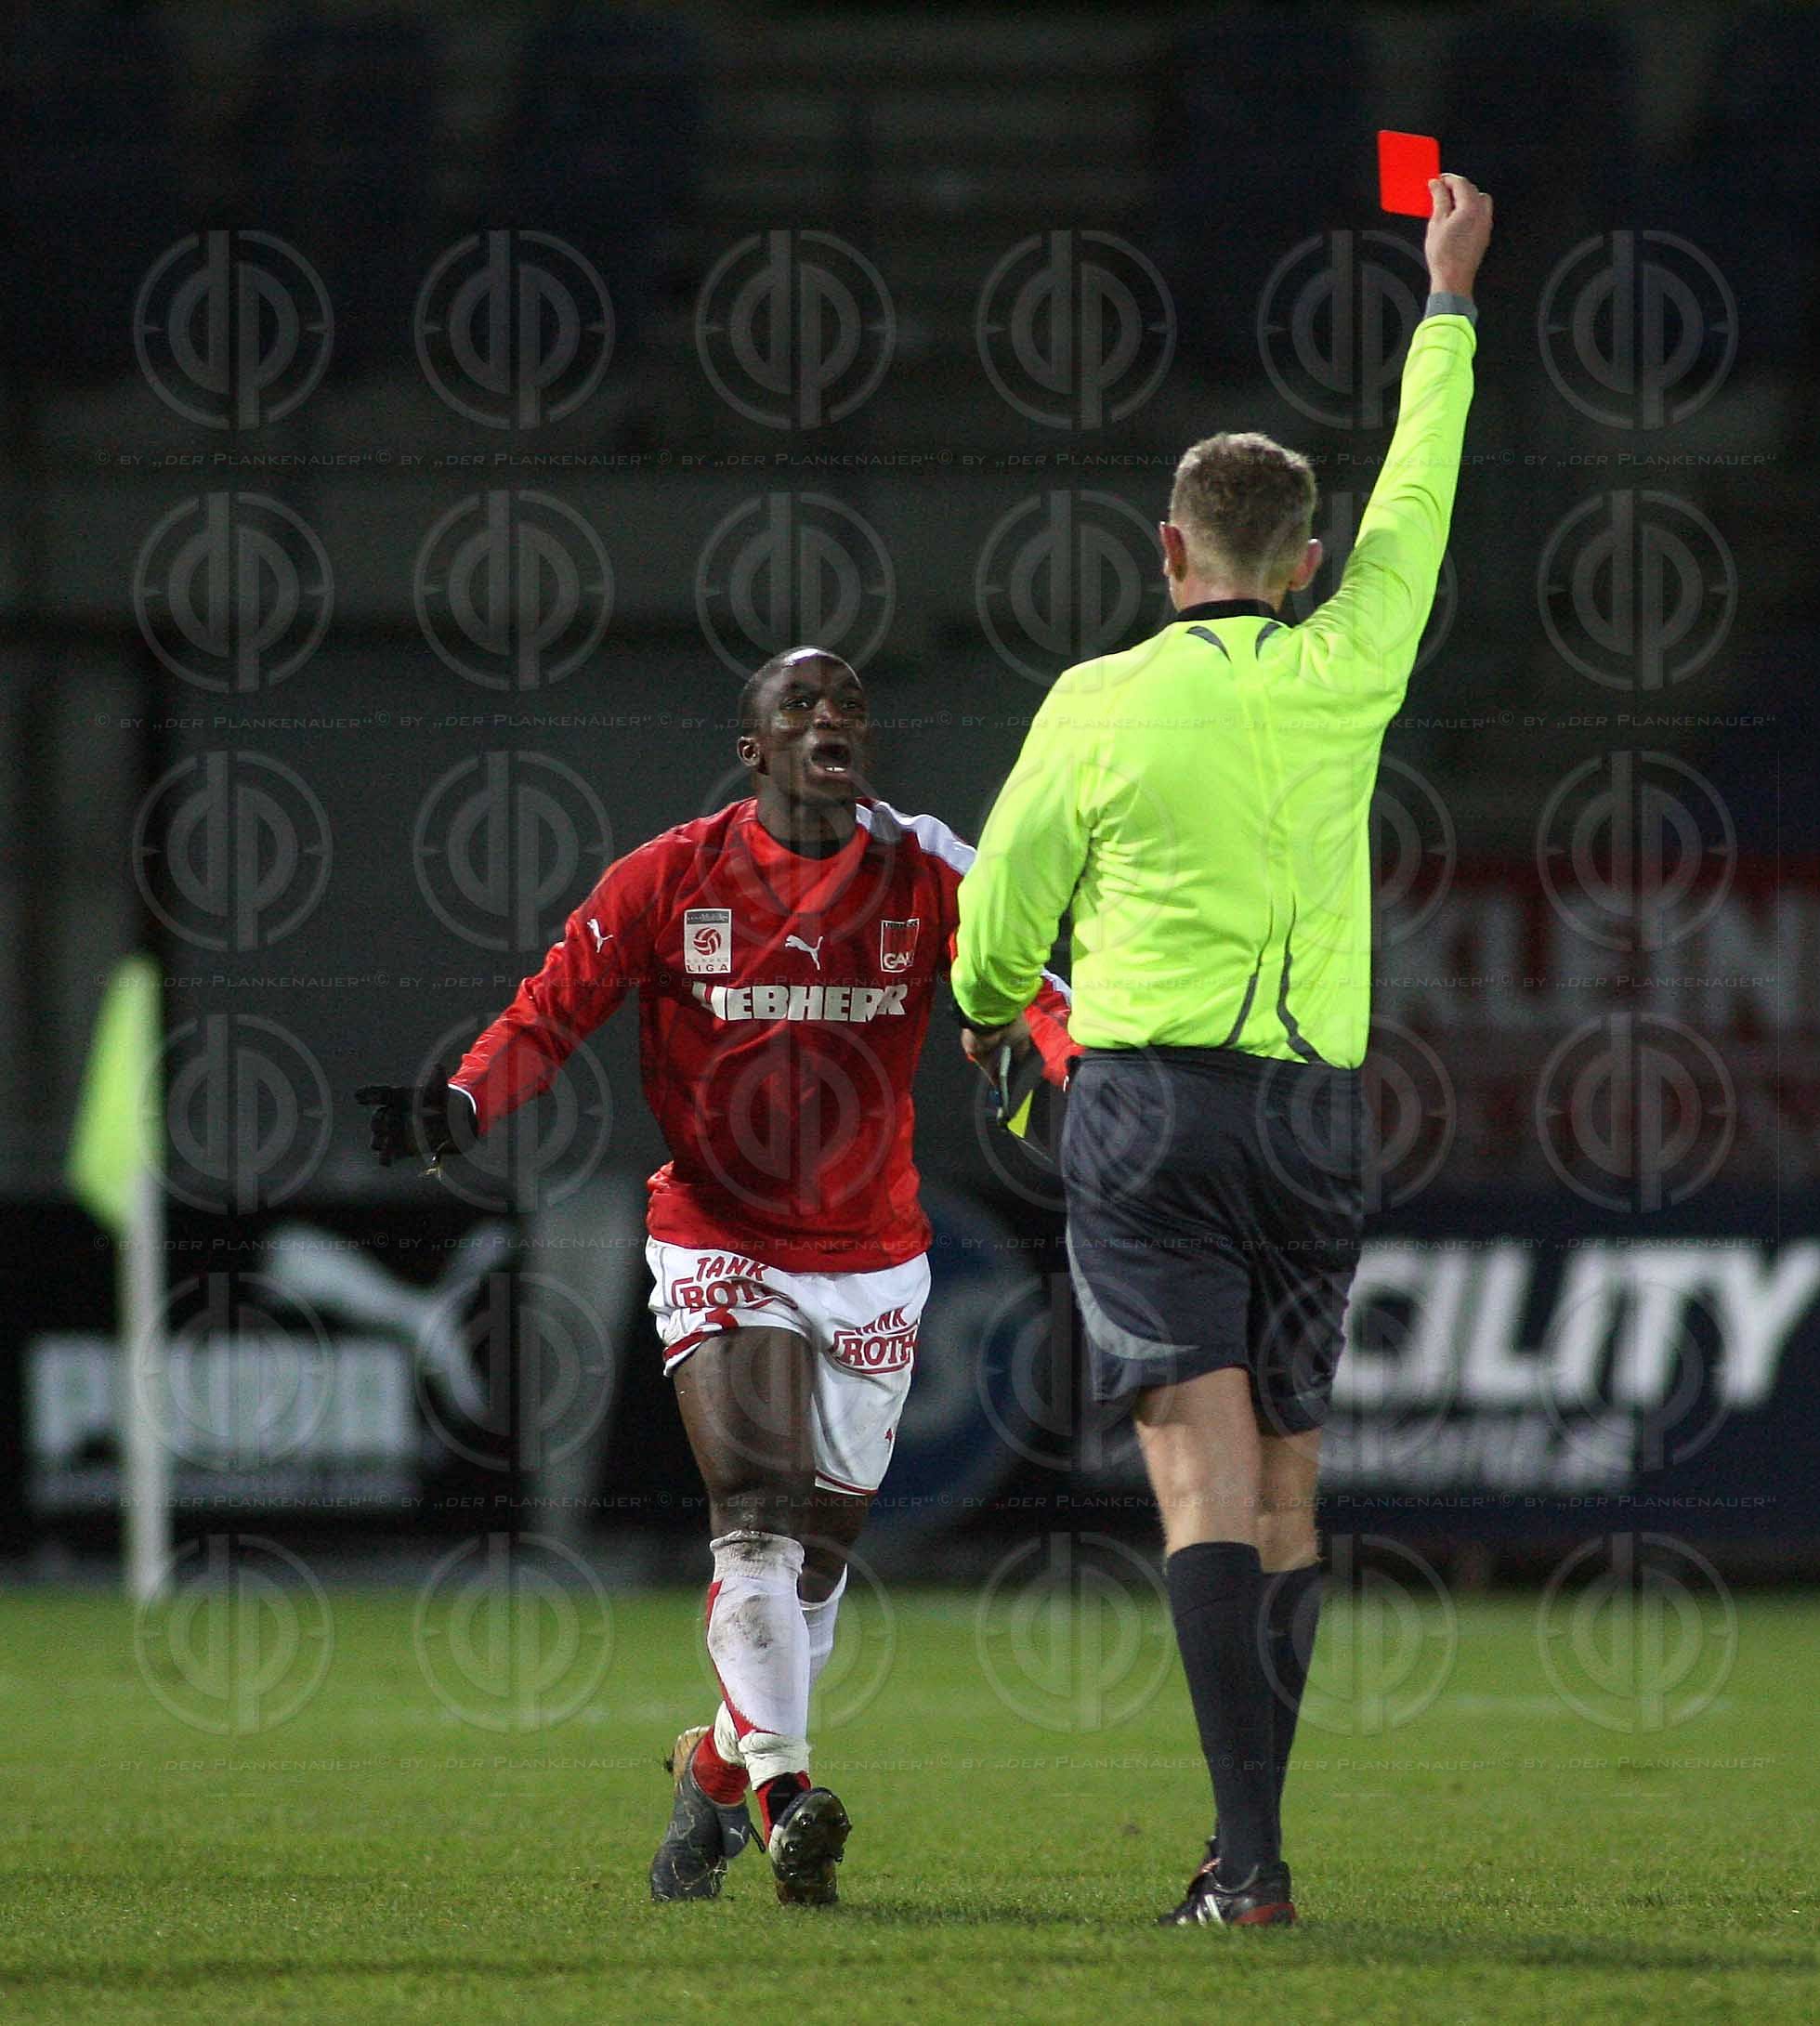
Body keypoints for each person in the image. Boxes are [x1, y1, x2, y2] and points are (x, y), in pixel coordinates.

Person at [950, 175, 1493, 1928]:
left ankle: (1248, 1862)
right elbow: (1423, 491)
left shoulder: (1098, 701)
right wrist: (1448, 299)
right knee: (1289, 1482)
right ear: (1307, 564)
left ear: (1169, 555)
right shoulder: (1351, 664)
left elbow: (1001, 925)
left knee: (1195, 1469)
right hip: (1318, 1121)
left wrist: (987, 1018)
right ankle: (1247, 1845)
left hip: (1147, 1113)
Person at [360, 647, 1073, 1906]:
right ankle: (793, 1792)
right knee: (754, 1507)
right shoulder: (668, 878)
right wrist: (465, 1100)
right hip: (719, 1237)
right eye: (799, 706)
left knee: (815, 1572)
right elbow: (550, 1007)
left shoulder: (935, 871)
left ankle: (714, 1771)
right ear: (753, 751)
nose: (829, 720)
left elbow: (1042, 989)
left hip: (874, 1257)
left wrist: (1075, 1072)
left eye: (848, 704)